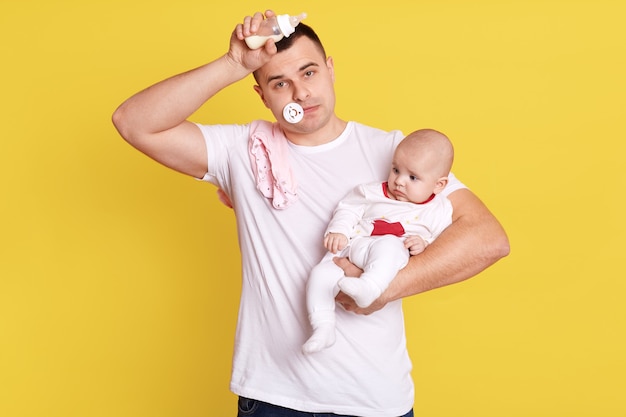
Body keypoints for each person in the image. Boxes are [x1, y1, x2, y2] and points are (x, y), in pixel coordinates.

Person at [112, 9, 509, 417]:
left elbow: (487, 238)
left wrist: (387, 287)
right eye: (279, 83)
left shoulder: (394, 155)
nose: (300, 94)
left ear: (331, 70)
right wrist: (234, 63)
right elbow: (134, 122)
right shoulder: (243, 151)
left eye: (309, 73)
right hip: (275, 397)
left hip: (374, 398)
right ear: (262, 95)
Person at [303, 129, 455, 354]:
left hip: (390, 250)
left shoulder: (438, 210)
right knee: (320, 275)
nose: (399, 182)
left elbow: (440, 239)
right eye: (396, 170)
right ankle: (322, 326)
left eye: (413, 177)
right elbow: (348, 209)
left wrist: (424, 243)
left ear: (439, 185)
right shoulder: (371, 192)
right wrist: (340, 231)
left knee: (389, 247)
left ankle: (370, 286)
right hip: (355, 244)